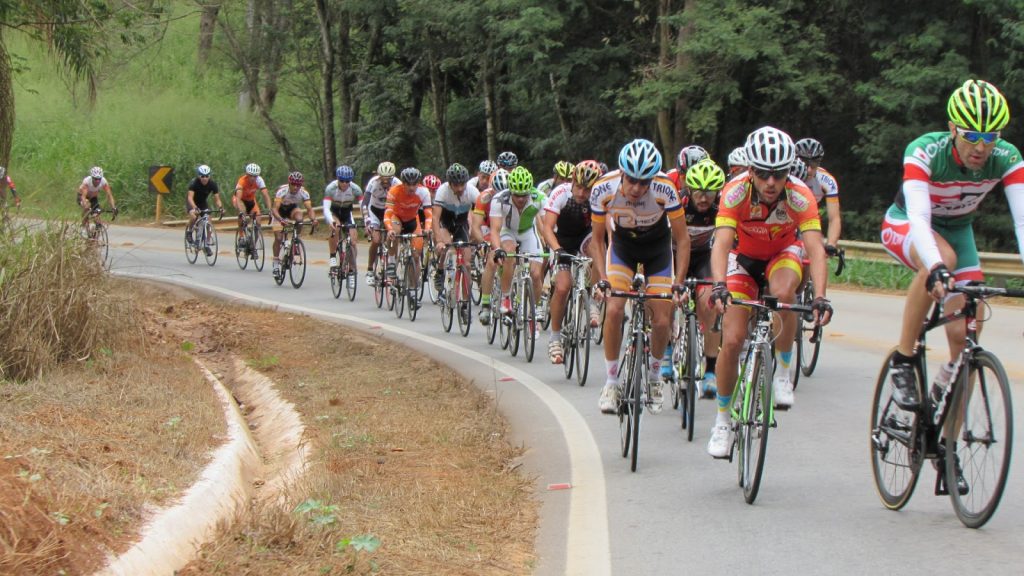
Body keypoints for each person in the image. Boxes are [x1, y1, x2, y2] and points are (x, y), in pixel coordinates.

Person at [881, 80, 1024, 415]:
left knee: (965, 338)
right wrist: (936, 268)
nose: (980, 147)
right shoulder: (925, 151)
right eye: (971, 135)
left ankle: (947, 450)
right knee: (942, 258)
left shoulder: (1008, 158)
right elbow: (918, 216)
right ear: (952, 129)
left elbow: (1022, 221)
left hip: (959, 231)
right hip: (908, 224)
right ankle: (903, 359)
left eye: (990, 137)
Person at [705, 126, 834, 458]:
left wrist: (820, 295)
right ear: (751, 170)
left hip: (782, 255)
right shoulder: (734, 192)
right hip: (743, 260)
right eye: (762, 173)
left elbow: (816, 250)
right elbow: (721, 243)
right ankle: (722, 421)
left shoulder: (801, 195)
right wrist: (719, 285)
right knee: (732, 340)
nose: (771, 182)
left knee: (785, 294)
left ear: (787, 172)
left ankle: (783, 372)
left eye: (777, 173)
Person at [591, 139, 690, 415]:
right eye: (632, 180)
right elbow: (597, 241)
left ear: (652, 179)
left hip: (657, 250)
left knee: (661, 319)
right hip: (623, 248)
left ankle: (656, 377)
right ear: (622, 173)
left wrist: (678, 282)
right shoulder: (603, 188)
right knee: (613, 308)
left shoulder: (665, 189)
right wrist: (602, 279)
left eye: (643, 182)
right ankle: (611, 382)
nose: (637, 188)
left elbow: (682, 241)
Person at [664, 159, 726, 397]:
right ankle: (668, 350)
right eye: (699, 192)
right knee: (668, 298)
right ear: (688, 189)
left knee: (710, 303)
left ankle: (710, 371)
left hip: (702, 258)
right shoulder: (677, 204)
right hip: (674, 255)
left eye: (709, 192)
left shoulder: (722, 208)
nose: (703, 198)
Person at [539, 160, 600, 364]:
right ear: (573, 181)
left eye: (588, 189)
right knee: (563, 287)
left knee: (598, 250)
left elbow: (605, 230)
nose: (582, 194)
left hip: (584, 237)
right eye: (580, 187)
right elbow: (547, 227)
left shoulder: (599, 197)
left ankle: (592, 301)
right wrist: (557, 250)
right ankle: (555, 338)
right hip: (561, 240)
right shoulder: (561, 193)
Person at [490, 166, 547, 318]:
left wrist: (553, 246)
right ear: (510, 191)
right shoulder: (499, 199)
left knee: (535, 274)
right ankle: (506, 297)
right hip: (507, 231)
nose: (521, 199)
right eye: (517, 195)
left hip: (528, 232)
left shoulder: (539, 198)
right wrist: (497, 250)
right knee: (508, 252)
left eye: (524, 195)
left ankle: (536, 306)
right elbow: (495, 230)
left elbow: (547, 226)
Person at [432, 163, 480, 296]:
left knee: (467, 264)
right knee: (448, 248)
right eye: (455, 185)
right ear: (449, 184)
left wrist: (478, 234)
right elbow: (435, 219)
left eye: (462, 185)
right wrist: (439, 241)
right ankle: (440, 270)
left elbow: (481, 214)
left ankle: (465, 302)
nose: (459, 188)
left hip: (461, 224)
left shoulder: (472, 191)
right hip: (445, 223)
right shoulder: (442, 191)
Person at [384, 167, 432, 294]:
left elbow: (428, 214)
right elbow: (388, 213)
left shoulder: (423, 192)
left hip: (412, 220)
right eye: (408, 184)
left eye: (414, 184)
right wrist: (389, 229)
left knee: (416, 255)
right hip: (397, 217)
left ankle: (413, 290)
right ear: (403, 183)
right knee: (394, 232)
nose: (411, 188)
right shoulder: (394, 191)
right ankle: (392, 261)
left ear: (418, 183)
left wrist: (427, 229)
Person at [473, 168, 510, 324]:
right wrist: (482, 242)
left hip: (507, 229)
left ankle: (509, 296)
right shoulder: (484, 197)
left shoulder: (514, 197)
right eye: (497, 192)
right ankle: (486, 304)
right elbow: (475, 226)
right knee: (491, 260)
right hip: (489, 227)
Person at [795, 137, 842, 249]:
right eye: (805, 163)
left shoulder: (826, 180)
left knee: (815, 252)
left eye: (814, 164)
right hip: (785, 219)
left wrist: (831, 244)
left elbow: (834, 218)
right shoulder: (786, 176)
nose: (810, 169)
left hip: (808, 219)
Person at [271, 171, 317, 276]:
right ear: (289, 183)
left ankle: (296, 239)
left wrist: (313, 219)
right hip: (279, 212)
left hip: (292, 209)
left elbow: (309, 209)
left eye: (298, 185)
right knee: (278, 238)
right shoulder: (282, 191)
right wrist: (280, 220)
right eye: (293, 184)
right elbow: (274, 209)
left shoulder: (304, 193)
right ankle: (275, 262)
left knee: (300, 219)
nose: (296, 187)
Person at [362, 161, 400, 285]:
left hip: (390, 211)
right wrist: (367, 221)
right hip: (374, 212)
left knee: (393, 235)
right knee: (376, 240)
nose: (385, 181)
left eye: (387, 178)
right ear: (378, 176)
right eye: (382, 178)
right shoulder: (373, 183)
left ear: (392, 177)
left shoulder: (398, 184)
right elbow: (365, 203)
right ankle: (369, 270)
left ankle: (391, 262)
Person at [323, 165, 363, 269]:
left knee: (353, 241)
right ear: (337, 179)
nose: (344, 183)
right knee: (335, 228)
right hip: (334, 213)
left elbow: (363, 206)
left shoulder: (356, 189)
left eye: (347, 181)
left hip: (347, 213)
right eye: (342, 181)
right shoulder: (331, 188)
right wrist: (331, 221)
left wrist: (367, 219)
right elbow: (326, 208)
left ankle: (351, 269)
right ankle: (332, 256)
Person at [186, 165, 224, 246]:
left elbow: (217, 199)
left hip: (202, 203)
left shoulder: (212, 184)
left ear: (209, 176)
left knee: (209, 220)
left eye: (207, 176)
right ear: (199, 176)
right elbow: (190, 197)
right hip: (192, 202)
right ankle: (189, 232)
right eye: (202, 176)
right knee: (194, 216)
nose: (205, 178)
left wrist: (220, 208)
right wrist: (195, 207)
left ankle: (207, 242)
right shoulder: (194, 183)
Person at [233, 163, 271, 243]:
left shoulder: (259, 180)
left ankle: (253, 245)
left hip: (251, 201)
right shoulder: (242, 181)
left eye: (255, 176)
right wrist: (242, 212)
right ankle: (241, 236)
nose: (253, 178)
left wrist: (270, 210)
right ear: (247, 174)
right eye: (251, 175)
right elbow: (238, 199)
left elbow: (265, 195)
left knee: (258, 222)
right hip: (240, 200)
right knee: (242, 213)